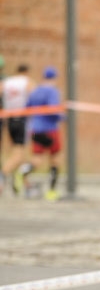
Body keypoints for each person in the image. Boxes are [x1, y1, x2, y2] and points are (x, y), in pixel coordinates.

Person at [22, 66, 63, 200]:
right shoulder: (52, 91)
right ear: (54, 77)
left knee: (37, 159)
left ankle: (22, 172)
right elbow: (53, 110)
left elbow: (27, 107)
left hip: (35, 129)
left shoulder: (35, 91)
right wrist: (62, 117)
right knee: (55, 160)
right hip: (50, 129)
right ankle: (51, 191)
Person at [0, 64, 35, 194]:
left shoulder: (7, 81)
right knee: (18, 155)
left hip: (10, 120)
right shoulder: (27, 81)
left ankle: (25, 184)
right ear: (26, 72)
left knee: (18, 152)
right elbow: (35, 96)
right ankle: (2, 174)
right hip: (21, 120)